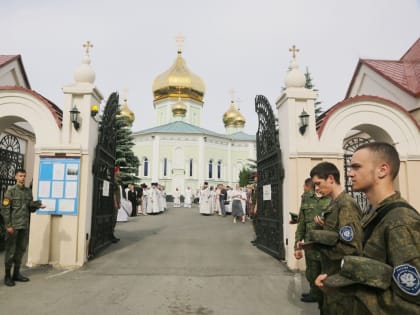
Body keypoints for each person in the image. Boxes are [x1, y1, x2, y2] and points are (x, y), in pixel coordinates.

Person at [327, 142, 419, 314]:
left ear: (382, 170)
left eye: (356, 167)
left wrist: (349, 296)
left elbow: (412, 303)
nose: (349, 173)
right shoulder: (374, 213)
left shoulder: (399, 222)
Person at [306, 162, 363, 315]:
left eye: (318, 183)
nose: (316, 189)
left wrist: (317, 245)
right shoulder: (334, 204)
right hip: (331, 274)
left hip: (340, 280)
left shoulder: (346, 205)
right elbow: (336, 235)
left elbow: (351, 248)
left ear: (331, 178)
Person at [1, 169, 46, 286]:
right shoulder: (10, 191)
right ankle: (7, 276)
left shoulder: (28, 192)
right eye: (20, 176)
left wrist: (38, 206)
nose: (22, 178)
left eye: (24, 176)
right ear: (16, 177)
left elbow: (30, 208)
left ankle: (16, 274)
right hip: (13, 227)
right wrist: (8, 225)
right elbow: (5, 210)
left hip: (24, 226)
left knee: (20, 250)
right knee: (10, 252)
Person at [294, 178, 331, 306]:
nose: (317, 186)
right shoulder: (306, 197)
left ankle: (324, 297)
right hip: (310, 244)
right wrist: (297, 246)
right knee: (311, 272)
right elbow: (301, 224)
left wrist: (326, 224)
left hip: (326, 246)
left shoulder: (332, 198)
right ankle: (314, 294)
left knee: (326, 273)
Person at [112, 167, 122, 241]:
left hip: (117, 202)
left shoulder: (116, 180)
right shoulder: (114, 180)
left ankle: (112, 234)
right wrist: (115, 203)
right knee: (113, 219)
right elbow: (114, 193)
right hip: (114, 203)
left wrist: (119, 202)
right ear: (115, 172)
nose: (119, 172)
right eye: (118, 171)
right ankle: (111, 234)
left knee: (114, 219)